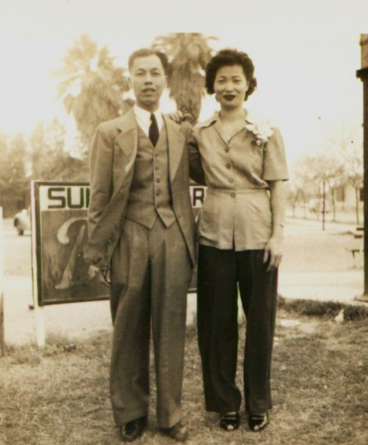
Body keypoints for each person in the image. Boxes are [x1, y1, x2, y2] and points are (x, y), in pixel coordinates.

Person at [84, 48, 201, 442]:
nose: (148, 80)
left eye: (155, 73)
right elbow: (99, 196)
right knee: (129, 326)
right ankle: (130, 412)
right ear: (130, 81)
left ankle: (171, 415)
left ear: (165, 80)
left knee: (171, 328)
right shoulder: (109, 132)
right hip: (129, 237)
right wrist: (98, 252)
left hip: (173, 236)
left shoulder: (180, 129)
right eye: (140, 74)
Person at [189, 49, 288, 433]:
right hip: (213, 233)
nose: (229, 86)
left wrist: (277, 235)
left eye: (236, 79)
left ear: (248, 84)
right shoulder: (199, 133)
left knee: (260, 321)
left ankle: (258, 403)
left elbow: (278, 185)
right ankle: (225, 403)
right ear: (212, 86)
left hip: (257, 232)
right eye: (222, 79)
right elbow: (194, 172)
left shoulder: (267, 130)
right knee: (217, 322)